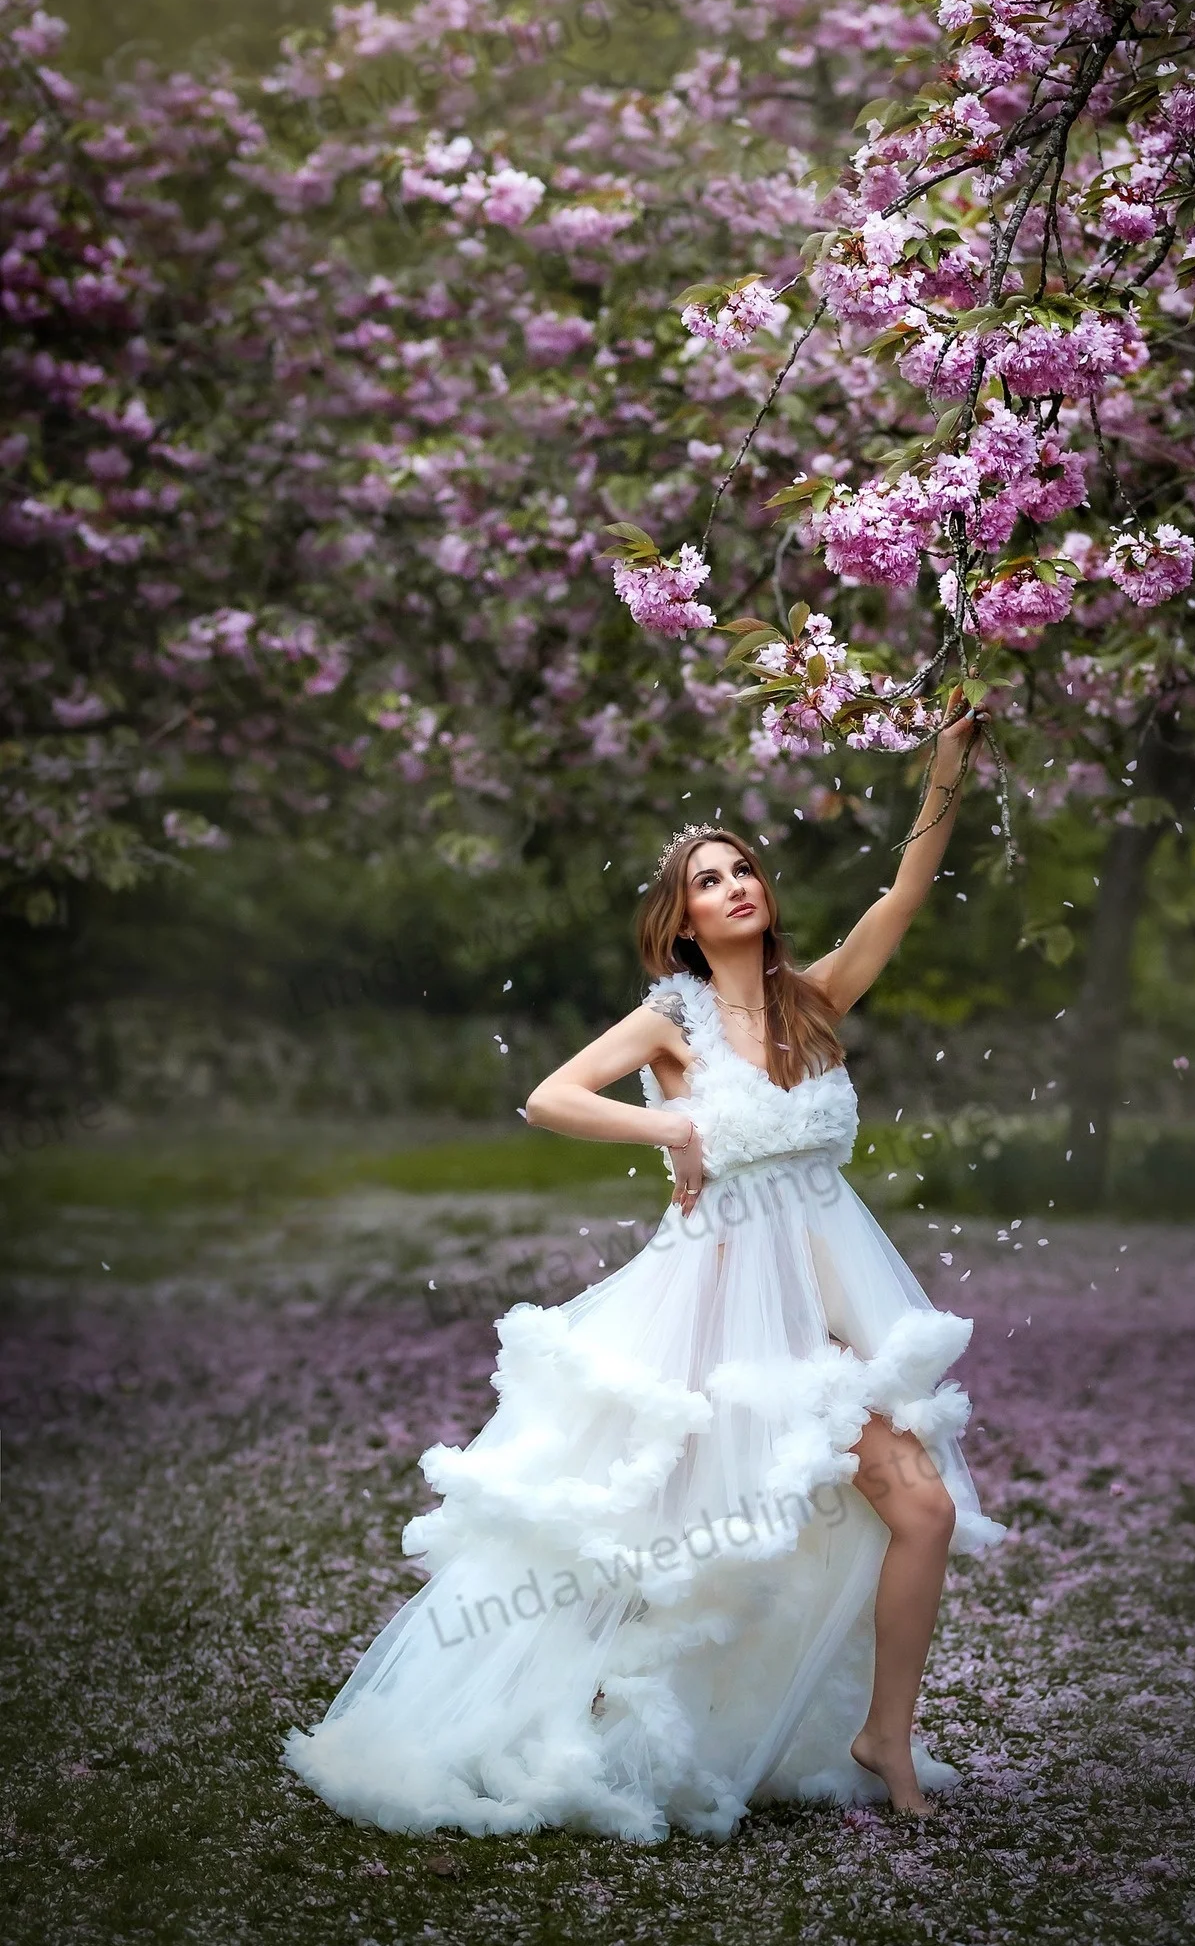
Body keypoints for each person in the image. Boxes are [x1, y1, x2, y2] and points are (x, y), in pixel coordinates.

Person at [282, 700, 1006, 1844]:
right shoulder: (672, 1019)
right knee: (658, 1537)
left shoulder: (814, 1003)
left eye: (745, 869)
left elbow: (901, 895)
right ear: (680, 916)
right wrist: (667, 1132)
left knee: (918, 1505)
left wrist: (945, 772)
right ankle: (580, 1706)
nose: (735, 885)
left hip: (824, 1314)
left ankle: (886, 1733)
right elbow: (551, 1097)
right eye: (709, 877)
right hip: (710, 1319)